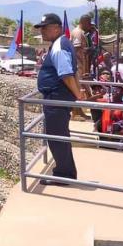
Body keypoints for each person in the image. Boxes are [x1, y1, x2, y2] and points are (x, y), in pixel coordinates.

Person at [34, 13, 84, 186]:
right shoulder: (61, 43)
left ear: (56, 27)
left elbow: (66, 74)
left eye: (45, 28)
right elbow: (73, 71)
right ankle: (65, 171)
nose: (42, 32)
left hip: (56, 97)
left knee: (56, 137)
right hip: (57, 97)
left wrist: (77, 94)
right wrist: (78, 92)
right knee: (59, 135)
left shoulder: (59, 46)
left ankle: (64, 174)